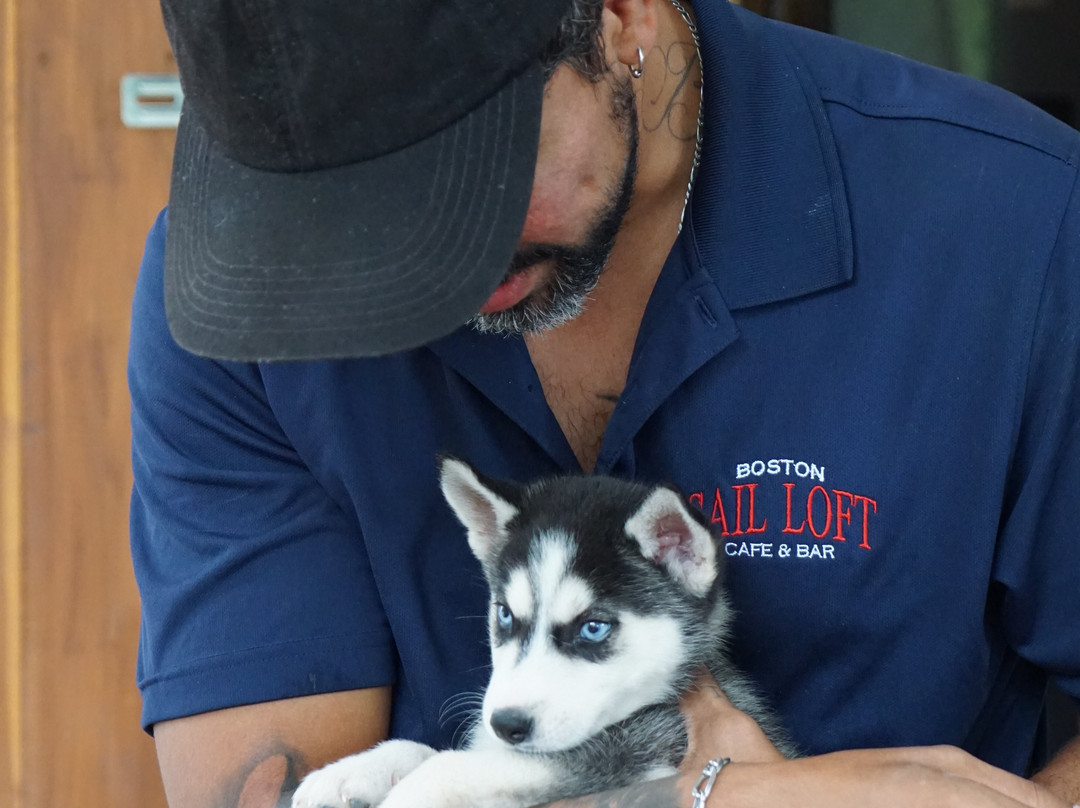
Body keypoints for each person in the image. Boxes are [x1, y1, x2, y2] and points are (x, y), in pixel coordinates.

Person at [128, 0, 1080, 806]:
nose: (411, 259)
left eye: (457, 175)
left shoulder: (1018, 232)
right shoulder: (246, 300)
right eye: (339, 201)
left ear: (621, 14)